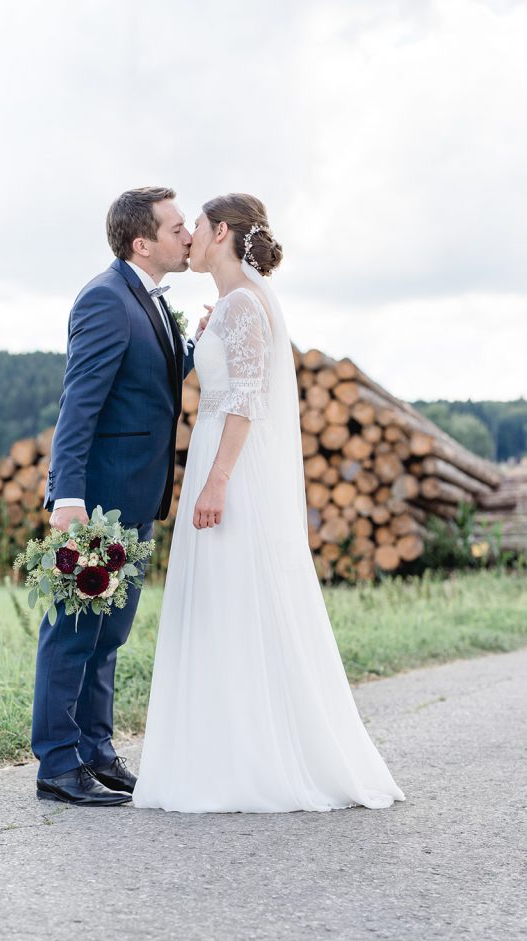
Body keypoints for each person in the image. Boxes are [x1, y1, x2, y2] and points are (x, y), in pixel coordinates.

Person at [132, 193, 406, 814]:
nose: (189, 236)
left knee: (236, 597)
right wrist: (208, 335)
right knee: (221, 600)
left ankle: (252, 756)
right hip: (216, 456)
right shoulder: (232, 307)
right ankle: (222, 745)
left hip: (231, 468)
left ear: (221, 231)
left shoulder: (245, 308)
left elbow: (246, 403)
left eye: (196, 226)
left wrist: (218, 480)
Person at [32, 186, 198, 806]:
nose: (188, 235)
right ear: (142, 242)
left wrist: (192, 347)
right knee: (74, 628)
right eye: (177, 227)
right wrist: (66, 496)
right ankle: (56, 762)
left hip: (137, 497)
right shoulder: (105, 299)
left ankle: (95, 749)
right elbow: (79, 406)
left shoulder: (149, 301)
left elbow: (150, 381)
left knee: (110, 633)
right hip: (98, 499)